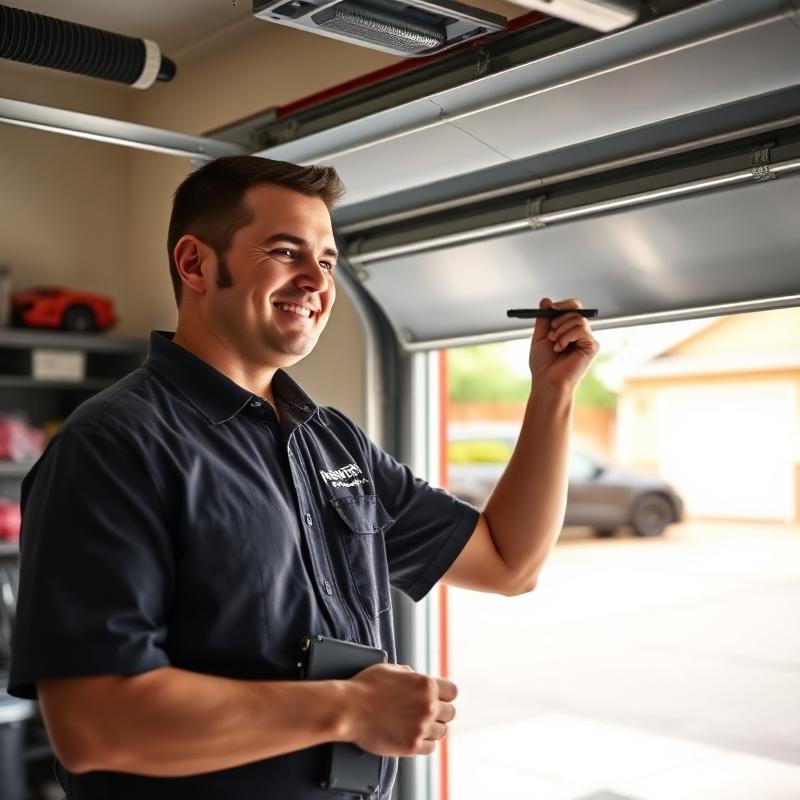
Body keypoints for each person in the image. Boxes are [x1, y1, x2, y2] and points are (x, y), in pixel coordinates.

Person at [9, 156, 599, 799]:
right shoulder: (114, 446)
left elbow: (509, 561)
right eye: (286, 252)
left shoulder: (331, 440)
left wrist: (553, 393)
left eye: (326, 260)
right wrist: (349, 709)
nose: (315, 281)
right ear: (195, 264)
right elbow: (96, 724)